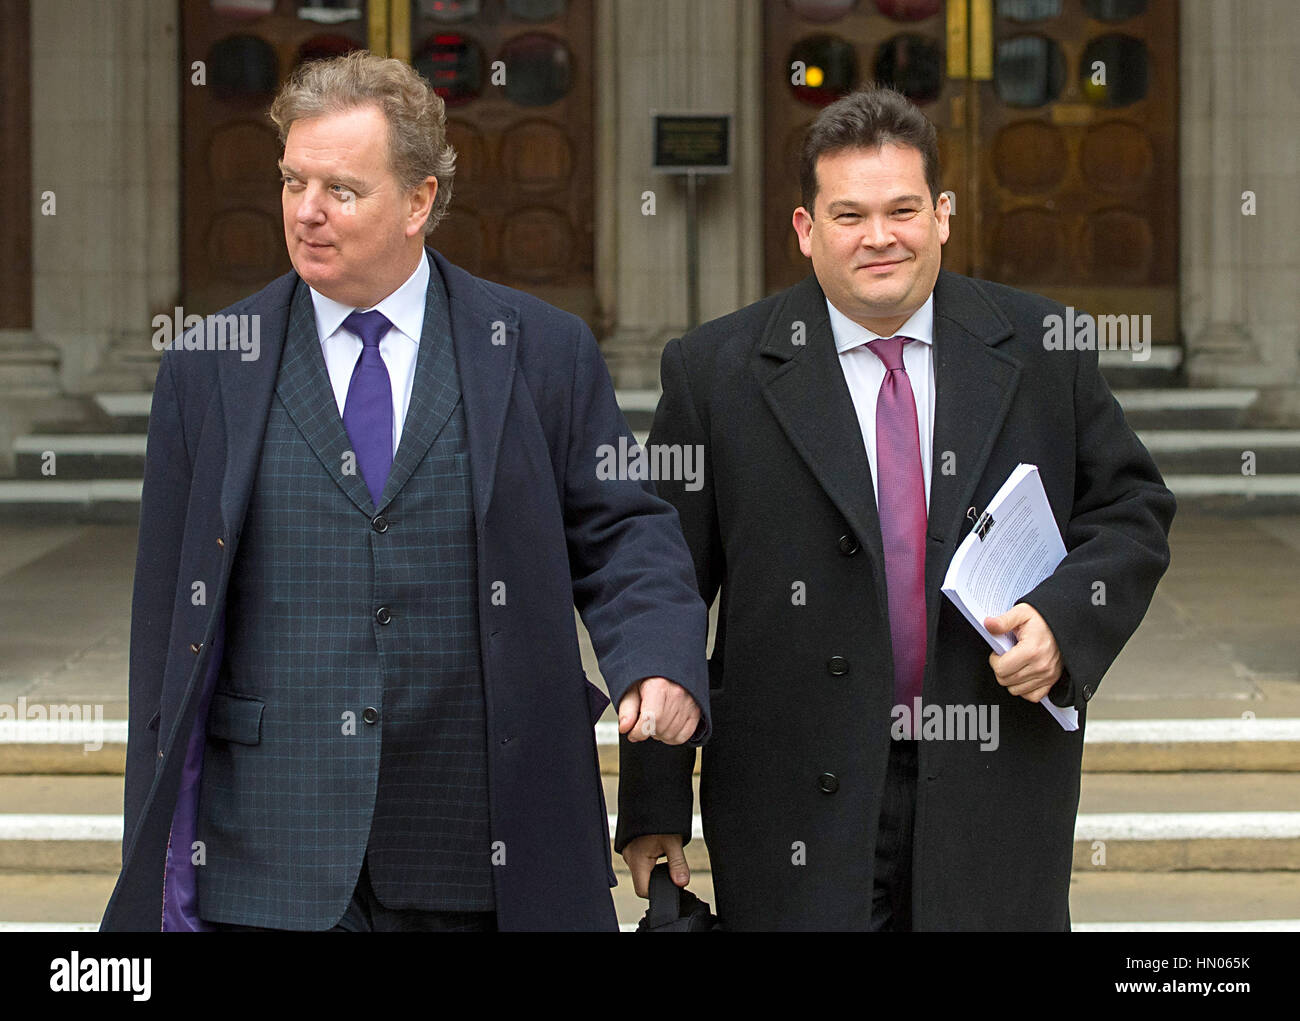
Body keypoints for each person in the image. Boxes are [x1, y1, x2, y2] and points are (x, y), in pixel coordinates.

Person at [101, 51, 708, 932]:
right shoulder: (206, 367)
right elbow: (164, 622)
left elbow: (624, 531)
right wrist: (150, 852)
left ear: (420, 201)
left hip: (481, 843)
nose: (306, 211)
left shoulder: (542, 350)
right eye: (292, 181)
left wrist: (653, 654)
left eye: (341, 190)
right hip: (269, 854)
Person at [616, 84, 1175, 931]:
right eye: (849, 215)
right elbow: (664, 581)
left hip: (993, 785)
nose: (880, 237)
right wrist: (655, 796)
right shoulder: (714, 370)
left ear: (943, 214)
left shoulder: (1042, 347)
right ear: (805, 230)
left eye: (903, 208)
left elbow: (1132, 508)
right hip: (792, 802)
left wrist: (1064, 623)